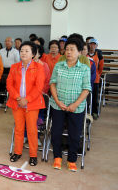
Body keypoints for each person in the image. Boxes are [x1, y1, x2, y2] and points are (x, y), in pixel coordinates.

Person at [50, 38, 91, 172]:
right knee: (56, 132)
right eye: (67, 49)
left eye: (72, 49)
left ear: (79, 52)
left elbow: (86, 89)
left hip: (76, 107)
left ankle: (72, 159)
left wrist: (75, 104)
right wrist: (57, 100)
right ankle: (57, 157)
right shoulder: (58, 65)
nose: (69, 52)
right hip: (58, 105)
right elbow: (53, 83)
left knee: (74, 134)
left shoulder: (84, 68)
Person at [7, 41, 45, 166]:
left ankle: (33, 155)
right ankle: (17, 152)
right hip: (17, 103)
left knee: (32, 130)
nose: (23, 53)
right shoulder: (14, 67)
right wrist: (18, 97)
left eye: (27, 51)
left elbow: (39, 87)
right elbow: (9, 84)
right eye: (22, 50)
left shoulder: (39, 67)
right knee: (18, 129)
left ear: (33, 54)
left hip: (32, 104)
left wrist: (26, 99)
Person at [0, 37, 20, 104]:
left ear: (12, 43)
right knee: (1, 86)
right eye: (6, 41)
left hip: (12, 71)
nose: (7, 42)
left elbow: (17, 63)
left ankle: (12, 101)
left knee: (11, 87)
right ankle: (1, 101)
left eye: (9, 41)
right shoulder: (1, 51)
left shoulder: (16, 52)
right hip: (2, 70)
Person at [87, 39, 104, 119]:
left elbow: (100, 68)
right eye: (91, 44)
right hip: (86, 79)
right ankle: (86, 111)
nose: (92, 46)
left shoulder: (99, 55)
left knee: (94, 97)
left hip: (95, 80)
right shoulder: (85, 54)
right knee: (86, 96)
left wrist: (97, 75)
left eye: (94, 44)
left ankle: (94, 112)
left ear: (96, 46)